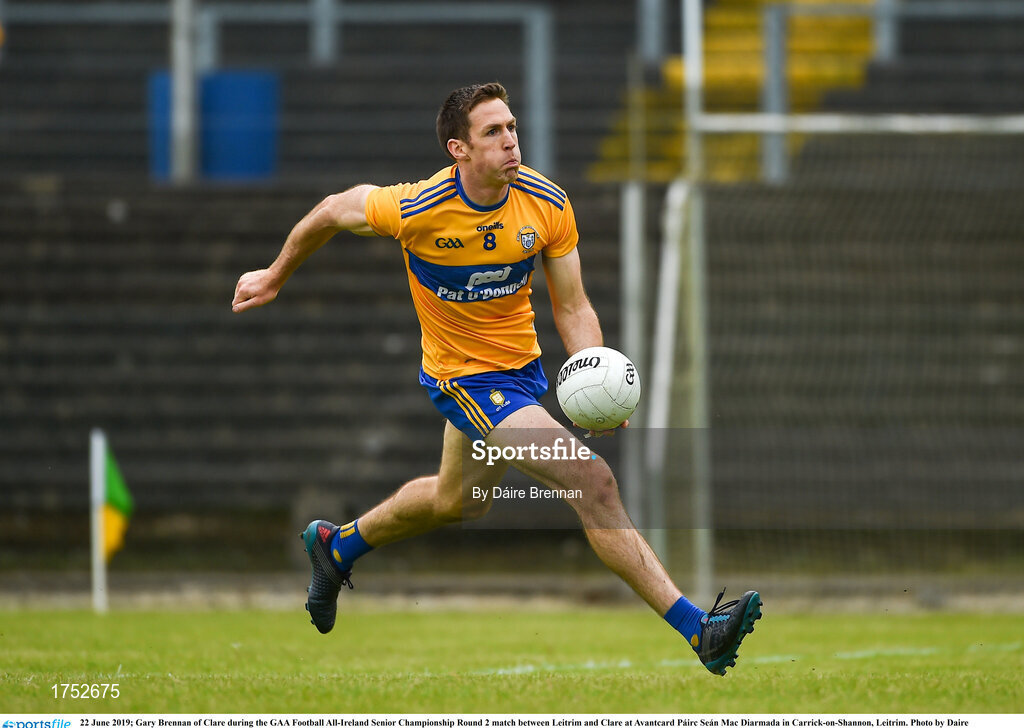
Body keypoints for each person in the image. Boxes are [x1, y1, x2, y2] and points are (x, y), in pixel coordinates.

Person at [232, 82, 761, 675]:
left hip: (522, 373)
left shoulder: (545, 202)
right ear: (458, 149)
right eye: (494, 132)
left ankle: (338, 545)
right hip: (465, 380)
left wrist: (595, 374)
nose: (511, 140)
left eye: (512, 127)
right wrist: (276, 274)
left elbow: (573, 305)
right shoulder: (414, 207)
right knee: (593, 482)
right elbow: (332, 209)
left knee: (457, 501)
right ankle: (699, 630)